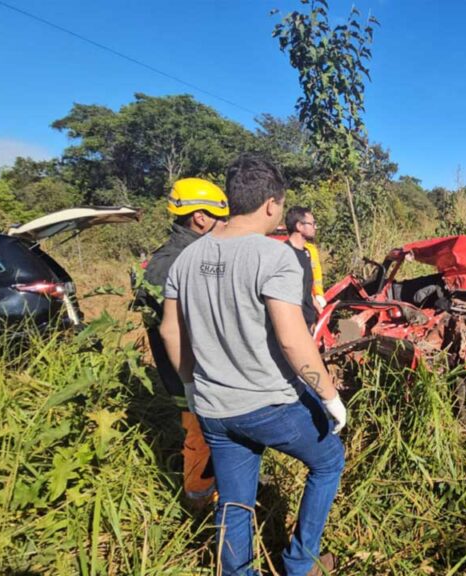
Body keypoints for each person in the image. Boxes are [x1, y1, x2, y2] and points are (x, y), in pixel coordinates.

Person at [160, 153, 347, 576]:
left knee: (234, 498)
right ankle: (301, 563)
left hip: (212, 407)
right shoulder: (274, 256)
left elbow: (170, 332)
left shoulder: (186, 258)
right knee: (329, 460)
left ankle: (238, 572)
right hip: (269, 407)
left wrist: (191, 385)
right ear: (271, 204)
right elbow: (292, 338)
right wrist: (330, 396)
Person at [140, 177, 229, 505]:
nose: (225, 225)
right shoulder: (175, 262)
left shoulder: (187, 253)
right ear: (200, 218)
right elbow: (180, 326)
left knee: (214, 432)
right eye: (221, 218)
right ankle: (200, 498)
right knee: (201, 434)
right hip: (187, 372)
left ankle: (224, 481)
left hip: (195, 368)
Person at [284, 206, 322, 329]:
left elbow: (306, 290)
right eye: (312, 224)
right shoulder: (284, 255)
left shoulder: (306, 253)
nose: (315, 227)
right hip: (294, 325)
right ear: (299, 226)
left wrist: (320, 311)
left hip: (307, 323)